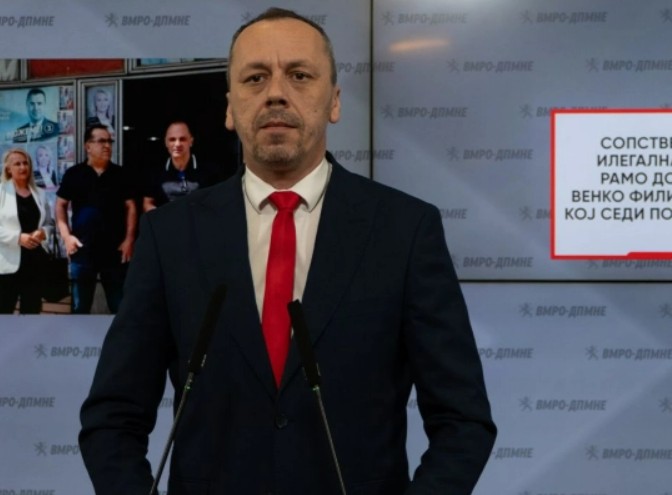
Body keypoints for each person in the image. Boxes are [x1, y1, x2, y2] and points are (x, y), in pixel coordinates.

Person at [79, 8, 496, 495]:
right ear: (230, 109)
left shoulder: (405, 229)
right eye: (255, 77)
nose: (276, 92)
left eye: (299, 75)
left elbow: (463, 421)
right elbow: (112, 418)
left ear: (334, 101)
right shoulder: (169, 235)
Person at [55, 124, 136, 314]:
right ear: (88, 146)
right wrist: (66, 237)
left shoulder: (120, 174)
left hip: (115, 252)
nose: (107, 145)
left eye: (109, 141)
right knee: (79, 308)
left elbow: (131, 207)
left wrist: (129, 239)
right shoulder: (74, 174)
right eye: (101, 141)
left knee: (120, 308)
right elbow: (60, 205)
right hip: (82, 251)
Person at [0, 148, 53, 313]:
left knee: (31, 310)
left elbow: (49, 223)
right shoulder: (1, 192)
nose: (23, 167)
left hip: (35, 262)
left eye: (25, 163)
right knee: (3, 311)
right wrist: (18, 238)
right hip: (7, 263)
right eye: (17, 164)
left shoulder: (40, 193)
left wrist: (43, 232)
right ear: (9, 168)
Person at [142, 120, 221, 211]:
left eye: (182, 139)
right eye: (172, 139)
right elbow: (148, 203)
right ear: (166, 142)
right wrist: (161, 216)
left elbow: (217, 202)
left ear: (191, 141)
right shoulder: (155, 172)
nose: (177, 144)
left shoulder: (209, 171)